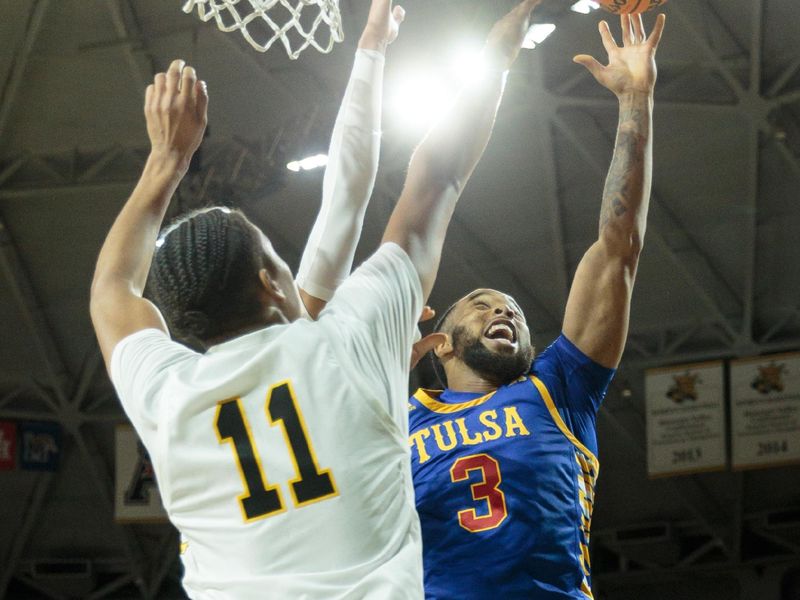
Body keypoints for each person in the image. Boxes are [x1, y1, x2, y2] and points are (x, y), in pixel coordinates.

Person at [89, 0, 542, 597]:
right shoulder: (348, 346)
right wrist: (496, 51)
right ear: (272, 282)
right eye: (274, 252)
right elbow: (427, 179)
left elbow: (111, 290)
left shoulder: (169, 402)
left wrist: (164, 164)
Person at [408, 13, 667, 599]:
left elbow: (618, 247)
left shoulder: (559, 389)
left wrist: (635, 101)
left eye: (515, 311)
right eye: (481, 305)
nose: (506, 312)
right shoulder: (397, 423)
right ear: (439, 342)